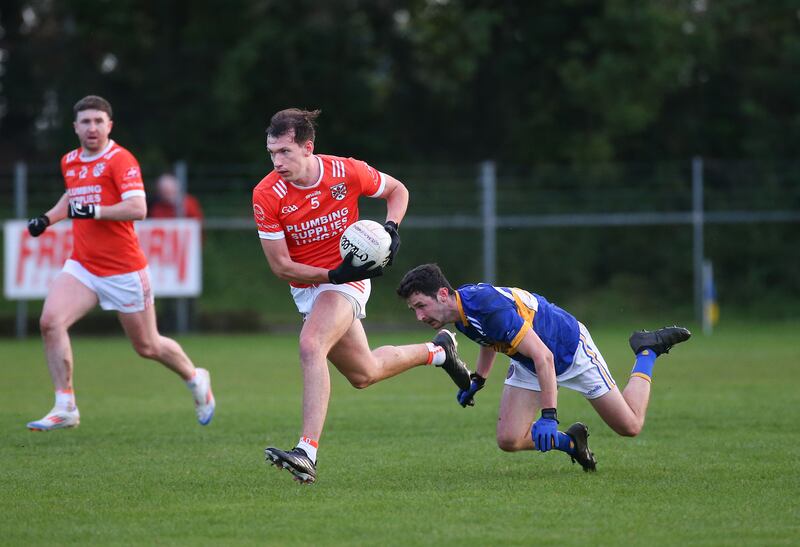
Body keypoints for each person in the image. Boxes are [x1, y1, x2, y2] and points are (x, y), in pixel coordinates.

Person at [253, 108, 471, 484]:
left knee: (310, 346)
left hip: (348, 282)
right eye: (272, 153)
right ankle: (438, 352)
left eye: (285, 152)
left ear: (308, 148)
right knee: (364, 373)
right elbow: (281, 266)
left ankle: (306, 452)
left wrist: (392, 228)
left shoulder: (345, 171)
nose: (277, 162)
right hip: (313, 285)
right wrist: (330, 274)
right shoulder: (266, 193)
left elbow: (397, 190)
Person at [25, 95, 215, 431]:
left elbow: (138, 208)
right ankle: (65, 405)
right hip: (83, 265)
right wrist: (47, 219)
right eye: (86, 121)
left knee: (147, 345)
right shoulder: (69, 160)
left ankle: (195, 377)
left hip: (124, 269)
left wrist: (93, 211)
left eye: (99, 121)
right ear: (75, 127)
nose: (92, 127)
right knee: (50, 322)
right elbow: (73, 195)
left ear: (109, 125)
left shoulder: (121, 160)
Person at [396, 263, 692, 472]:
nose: (419, 316)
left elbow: (545, 357)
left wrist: (549, 416)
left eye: (421, 306)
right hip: (529, 359)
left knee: (630, 426)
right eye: (414, 310)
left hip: (568, 351)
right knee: (509, 439)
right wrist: (479, 379)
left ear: (444, 295)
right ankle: (572, 444)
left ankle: (647, 350)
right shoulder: (459, 313)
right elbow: (489, 340)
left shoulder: (488, 308)